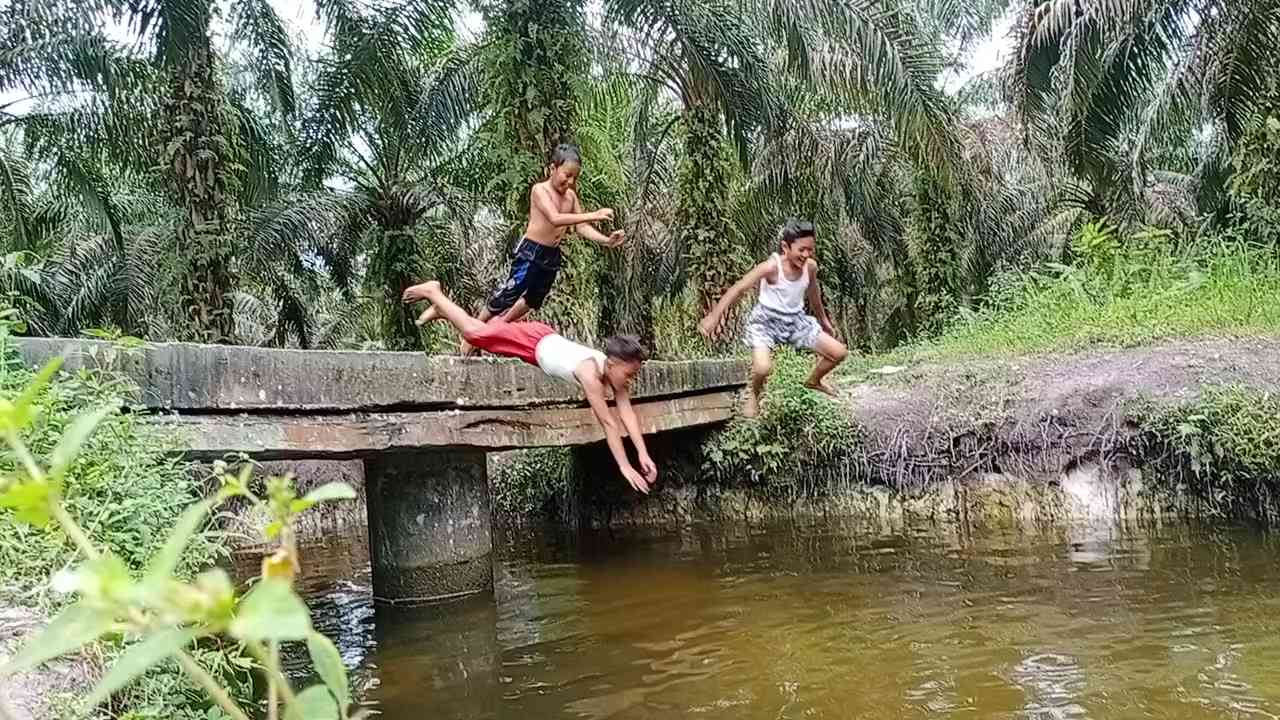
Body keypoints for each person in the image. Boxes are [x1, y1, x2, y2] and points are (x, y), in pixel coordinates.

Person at [402, 280, 657, 493]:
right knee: (473, 334)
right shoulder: (590, 373)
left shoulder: (615, 376)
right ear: (613, 364)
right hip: (532, 343)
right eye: (629, 374)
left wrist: (642, 454)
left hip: (542, 341)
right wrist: (624, 467)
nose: (630, 380)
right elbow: (610, 423)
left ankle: (443, 310)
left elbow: (627, 415)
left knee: (480, 332)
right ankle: (434, 291)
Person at [436, 143, 625, 355]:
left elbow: (580, 227)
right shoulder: (539, 190)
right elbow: (555, 218)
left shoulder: (571, 197)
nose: (570, 182)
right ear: (552, 169)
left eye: (574, 178)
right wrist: (594, 214)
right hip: (530, 251)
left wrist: (607, 240)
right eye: (566, 175)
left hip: (551, 255)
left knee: (534, 299)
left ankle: (499, 325)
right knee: (509, 293)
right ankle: (471, 333)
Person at [698, 219, 849, 417]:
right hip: (765, 323)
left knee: (839, 353)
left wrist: (824, 321)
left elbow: (814, 294)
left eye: (810, 250)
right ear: (785, 247)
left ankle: (814, 381)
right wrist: (714, 317)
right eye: (801, 250)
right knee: (762, 368)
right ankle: (753, 394)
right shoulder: (771, 267)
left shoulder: (810, 267)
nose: (806, 255)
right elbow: (739, 288)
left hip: (796, 322)